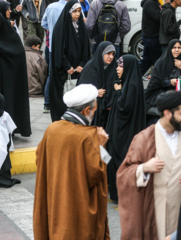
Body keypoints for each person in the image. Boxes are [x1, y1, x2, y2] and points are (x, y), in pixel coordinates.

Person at [33, 84, 110, 239]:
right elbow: (96, 172)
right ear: (87, 110)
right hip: (76, 205)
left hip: (55, 199)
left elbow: (39, 158)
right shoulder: (88, 137)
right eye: (94, 110)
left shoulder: (52, 129)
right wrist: (101, 147)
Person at [117, 91, 181, 240]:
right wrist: (144, 168)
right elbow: (123, 174)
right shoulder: (144, 138)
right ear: (167, 114)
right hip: (155, 210)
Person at [105, 55, 146, 203]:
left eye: (120, 66)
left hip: (125, 133)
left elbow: (125, 107)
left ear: (128, 67)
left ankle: (122, 194)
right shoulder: (127, 82)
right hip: (123, 130)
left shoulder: (132, 85)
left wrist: (118, 91)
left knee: (120, 159)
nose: (117, 68)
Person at [49, 0, 90, 122]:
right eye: (74, 11)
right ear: (69, 12)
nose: (77, 14)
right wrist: (67, 66)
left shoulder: (81, 27)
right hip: (63, 69)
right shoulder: (60, 27)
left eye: (79, 11)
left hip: (78, 69)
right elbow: (58, 50)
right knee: (61, 96)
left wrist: (82, 64)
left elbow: (85, 48)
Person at [77, 41, 117, 128]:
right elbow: (80, 90)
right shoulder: (89, 69)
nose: (111, 57)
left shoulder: (114, 68)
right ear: (101, 53)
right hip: (92, 113)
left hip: (109, 114)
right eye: (108, 54)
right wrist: (94, 92)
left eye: (113, 54)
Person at [145, 39, 181, 125]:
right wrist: (169, 82)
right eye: (174, 47)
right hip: (162, 93)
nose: (177, 50)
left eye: (179, 47)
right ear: (169, 49)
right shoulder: (162, 63)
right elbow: (155, 81)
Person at [41, 0, 68, 112]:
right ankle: (63, 101)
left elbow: (44, 23)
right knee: (66, 73)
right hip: (66, 47)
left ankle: (47, 102)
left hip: (52, 46)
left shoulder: (51, 7)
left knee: (52, 74)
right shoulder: (72, 7)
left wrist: (52, 30)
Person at [139, 0, 162, 75]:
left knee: (147, 61)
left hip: (153, 37)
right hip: (151, 38)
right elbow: (158, 17)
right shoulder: (149, 3)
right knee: (156, 62)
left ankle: (133, 76)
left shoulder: (155, 2)